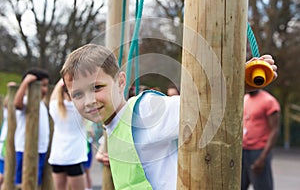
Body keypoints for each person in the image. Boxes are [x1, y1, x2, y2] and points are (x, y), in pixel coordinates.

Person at [60, 44, 278, 190]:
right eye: (78, 93)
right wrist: (109, 154)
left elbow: (199, 107)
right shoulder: (112, 124)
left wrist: (242, 82)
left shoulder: (145, 111)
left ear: (120, 82)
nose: (88, 100)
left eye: (97, 87)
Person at [13, 68, 50, 187]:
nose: (45, 89)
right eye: (42, 85)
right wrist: (25, 83)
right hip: (25, 149)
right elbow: (17, 104)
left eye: (46, 86)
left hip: (41, 149)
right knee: (22, 181)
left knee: (35, 181)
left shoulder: (42, 104)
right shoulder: (26, 101)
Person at [48, 79, 87, 190]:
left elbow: (52, 97)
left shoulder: (55, 107)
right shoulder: (82, 108)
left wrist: (62, 80)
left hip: (57, 157)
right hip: (74, 157)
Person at [241, 90, 280, 190]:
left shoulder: (268, 101)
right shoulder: (245, 98)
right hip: (243, 150)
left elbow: (275, 130)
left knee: (262, 187)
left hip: (258, 152)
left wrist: (262, 158)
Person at [0, 81, 17, 189]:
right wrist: (13, 88)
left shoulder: (17, 111)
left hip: (10, 146)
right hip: (4, 146)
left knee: (6, 178)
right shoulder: (7, 110)